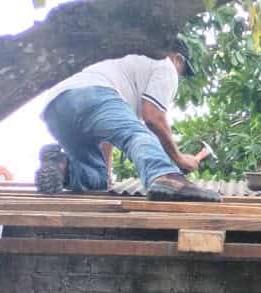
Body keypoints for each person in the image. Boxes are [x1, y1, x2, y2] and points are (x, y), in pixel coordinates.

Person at [35, 38, 222, 202]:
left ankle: (62, 167)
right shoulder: (165, 63)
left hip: (55, 108)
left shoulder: (124, 59)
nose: (179, 75)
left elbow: (108, 136)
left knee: (97, 179)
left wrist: (107, 176)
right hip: (94, 93)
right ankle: (164, 177)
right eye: (182, 70)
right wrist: (179, 159)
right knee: (137, 135)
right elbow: (153, 117)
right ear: (177, 58)